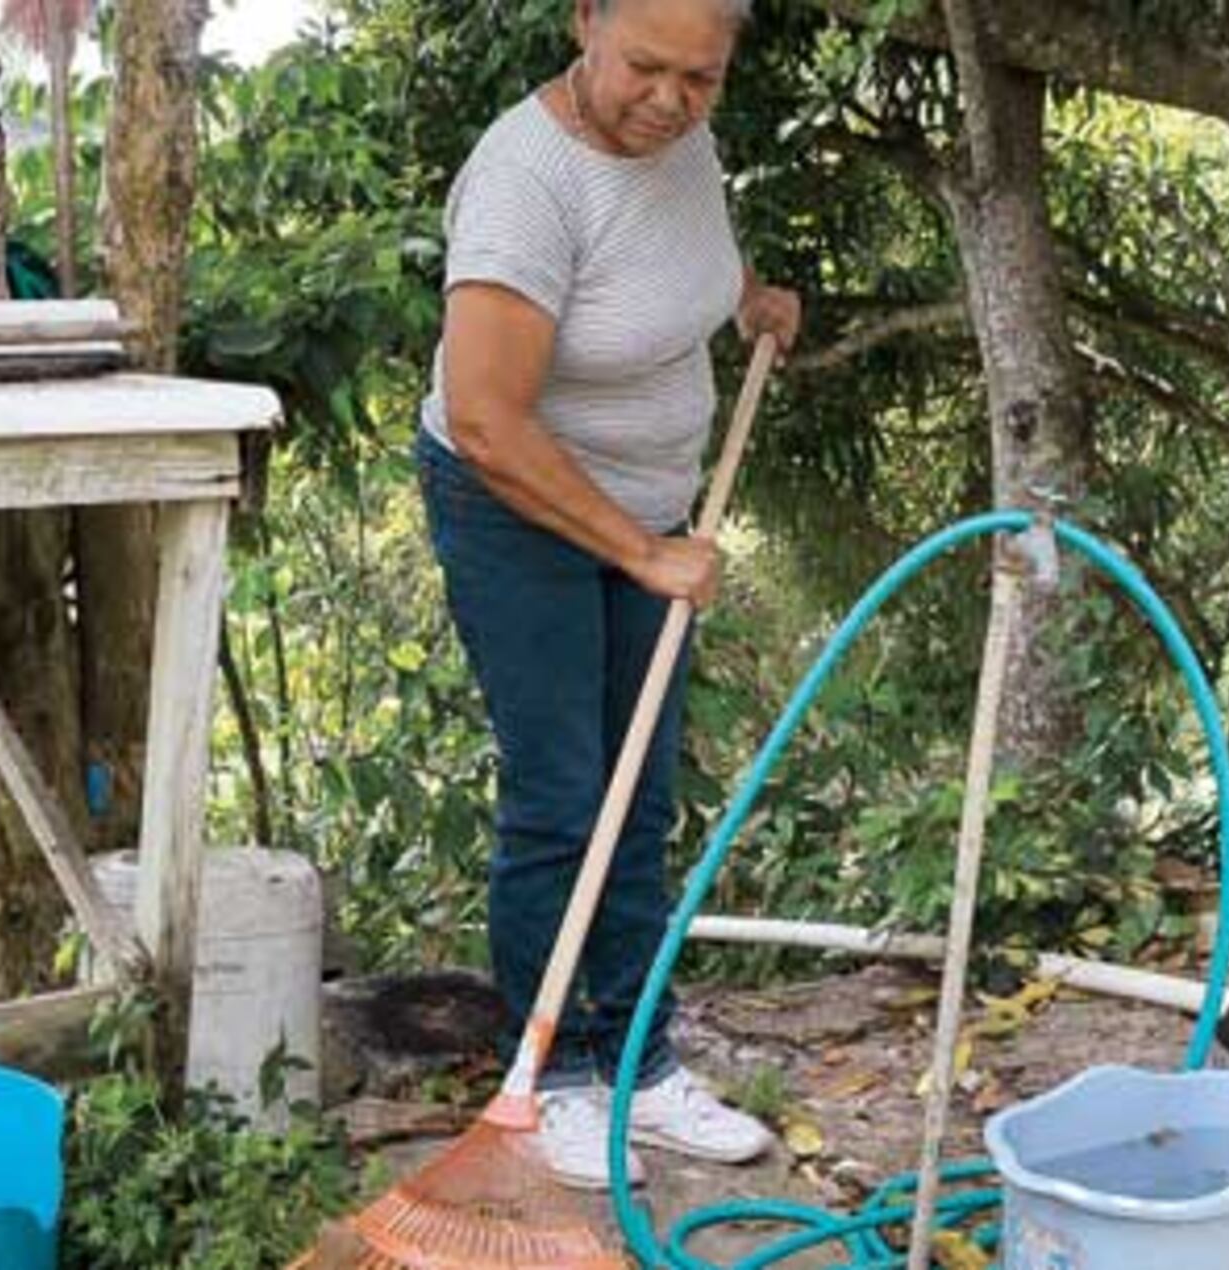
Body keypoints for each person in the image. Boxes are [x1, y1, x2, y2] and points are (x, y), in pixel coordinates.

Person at [415, 0, 803, 1191]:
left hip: (648, 509)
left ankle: (636, 1056)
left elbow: (674, 247)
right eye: (645, 66)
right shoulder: (525, 182)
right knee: (563, 791)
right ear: (586, 20)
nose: (671, 99)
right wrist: (639, 551)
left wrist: (747, 295)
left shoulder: (679, 137)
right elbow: (486, 417)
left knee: (637, 793)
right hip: (515, 503)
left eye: (701, 77)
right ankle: (555, 1073)